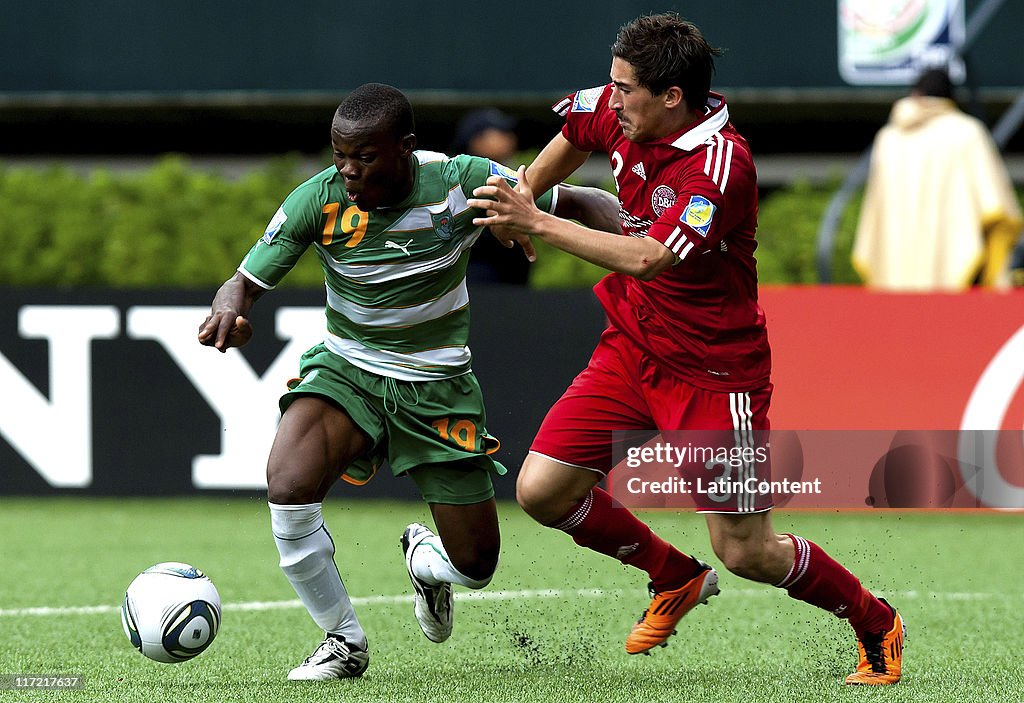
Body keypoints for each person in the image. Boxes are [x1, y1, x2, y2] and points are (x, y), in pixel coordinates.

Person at [469, 13, 905, 686]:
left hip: (714, 373)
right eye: (612, 84)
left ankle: (875, 619)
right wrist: (527, 189)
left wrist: (539, 220)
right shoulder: (624, 107)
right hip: (632, 346)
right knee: (541, 490)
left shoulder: (720, 165)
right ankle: (673, 575)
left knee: (746, 549)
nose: (610, 99)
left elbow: (647, 257)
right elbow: (570, 135)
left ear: (673, 95)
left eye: (625, 89)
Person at [197, 83, 618, 681]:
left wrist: (608, 215)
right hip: (349, 370)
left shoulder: (460, 180)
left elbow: (558, 195)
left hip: (437, 384)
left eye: (364, 158)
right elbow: (242, 280)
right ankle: (343, 641)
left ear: (406, 148)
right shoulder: (316, 199)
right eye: (340, 156)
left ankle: (429, 564)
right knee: (287, 484)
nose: (347, 171)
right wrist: (227, 310)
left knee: (476, 565)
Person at [853, 67, 1023, 291]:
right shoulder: (967, 132)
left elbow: (874, 213)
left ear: (916, 93)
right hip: (954, 273)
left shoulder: (888, 138)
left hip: (893, 269)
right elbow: (996, 207)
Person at [453, 108, 532, 285]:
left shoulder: (506, 178)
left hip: (512, 281)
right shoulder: (459, 183)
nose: (510, 137)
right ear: (477, 140)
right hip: (476, 280)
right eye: (501, 132)